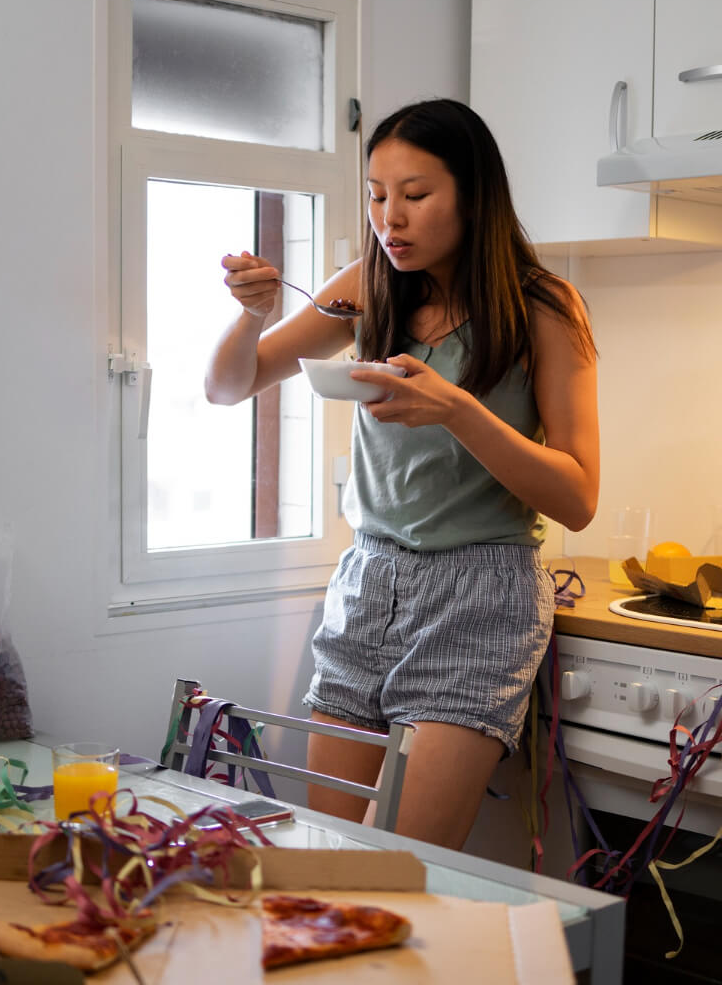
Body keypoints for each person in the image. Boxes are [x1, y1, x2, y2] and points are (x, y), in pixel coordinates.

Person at [204, 98, 599, 850]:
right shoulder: (369, 283)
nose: (392, 219)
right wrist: (251, 316)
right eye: (378, 196)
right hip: (367, 584)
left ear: (473, 196)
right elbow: (228, 386)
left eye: (415, 196)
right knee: (330, 855)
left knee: (407, 867)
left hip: (480, 594)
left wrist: (455, 410)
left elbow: (578, 496)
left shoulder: (543, 307)